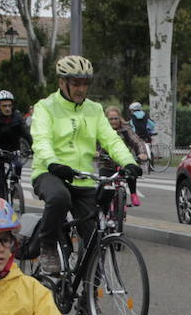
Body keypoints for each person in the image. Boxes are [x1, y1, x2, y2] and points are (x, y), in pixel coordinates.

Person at [29, 56, 141, 265]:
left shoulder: (94, 109)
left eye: (85, 84)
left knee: (94, 242)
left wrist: (129, 162)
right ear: (62, 83)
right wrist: (53, 163)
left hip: (82, 178)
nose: (81, 89)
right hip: (50, 173)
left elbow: (111, 139)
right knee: (59, 198)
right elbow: (41, 140)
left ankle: (89, 292)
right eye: (75, 83)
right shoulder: (45, 107)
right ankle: (47, 245)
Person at [0, 90, 32, 200]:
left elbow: (26, 133)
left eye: (9, 105)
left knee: (18, 165)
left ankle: (15, 186)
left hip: (12, 150)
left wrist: (33, 146)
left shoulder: (17, 116)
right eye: (4, 106)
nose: (7, 108)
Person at [103, 104, 149, 206]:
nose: (113, 121)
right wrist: (96, 153)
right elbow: (96, 144)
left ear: (120, 118)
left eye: (116, 118)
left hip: (124, 161)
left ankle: (133, 194)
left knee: (131, 172)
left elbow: (137, 141)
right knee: (103, 189)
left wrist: (142, 153)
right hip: (106, 163)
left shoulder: (126, 129)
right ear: (106, 119)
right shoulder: (102, 130)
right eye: (110, 119)